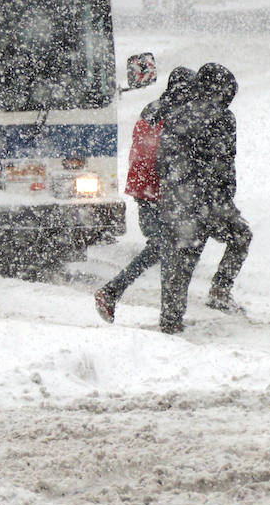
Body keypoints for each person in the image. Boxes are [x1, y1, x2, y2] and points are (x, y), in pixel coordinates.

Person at [155, 62, 253, 334]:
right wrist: (223, 195)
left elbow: (162, 161)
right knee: (241, 237)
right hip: (211, 199)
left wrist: (174, 192)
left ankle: (170, 318)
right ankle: (220, 289)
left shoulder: (175, 116)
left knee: (182, 260)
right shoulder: (224, 118)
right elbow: (224, 161)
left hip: (179, 199)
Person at [95, 66, 196, 323]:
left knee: (163, 247)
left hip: (144, 187)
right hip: (159, 189)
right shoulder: (177, 114)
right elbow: (164, 155)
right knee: (164, 247)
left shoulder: (153, 108)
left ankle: (118, 294)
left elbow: (144, 150)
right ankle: (117, 294)